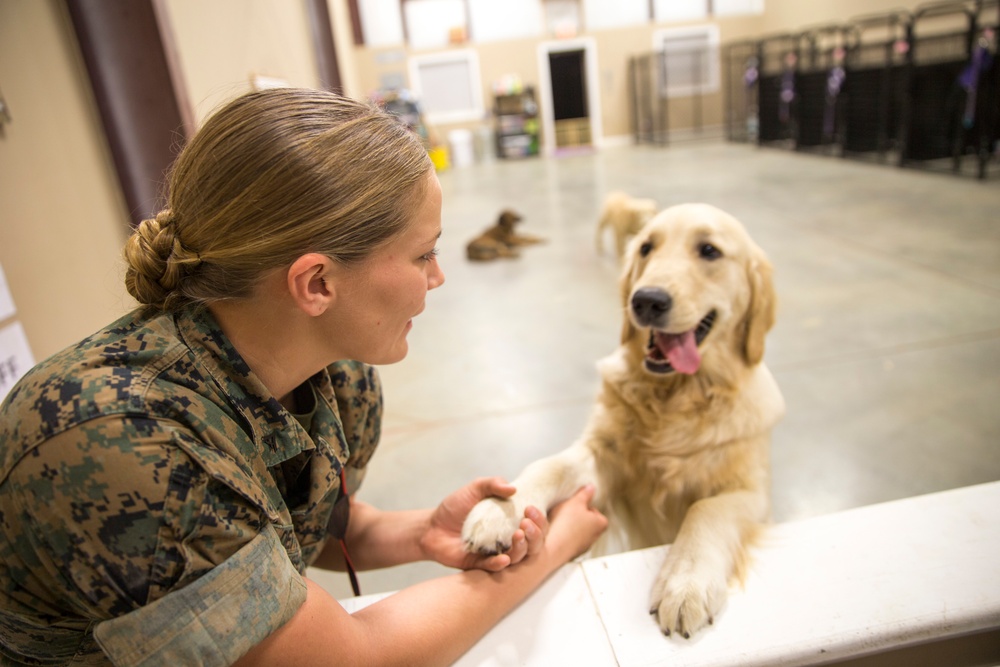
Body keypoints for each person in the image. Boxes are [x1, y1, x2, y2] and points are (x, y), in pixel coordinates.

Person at [0, 87, 607, 666]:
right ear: (316, 283)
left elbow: (307, 529)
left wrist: (423, 531)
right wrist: (546, 553)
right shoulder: (120, 441)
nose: (437, 277)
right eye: (424, 254)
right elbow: (346, 660)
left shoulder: (338, 377)